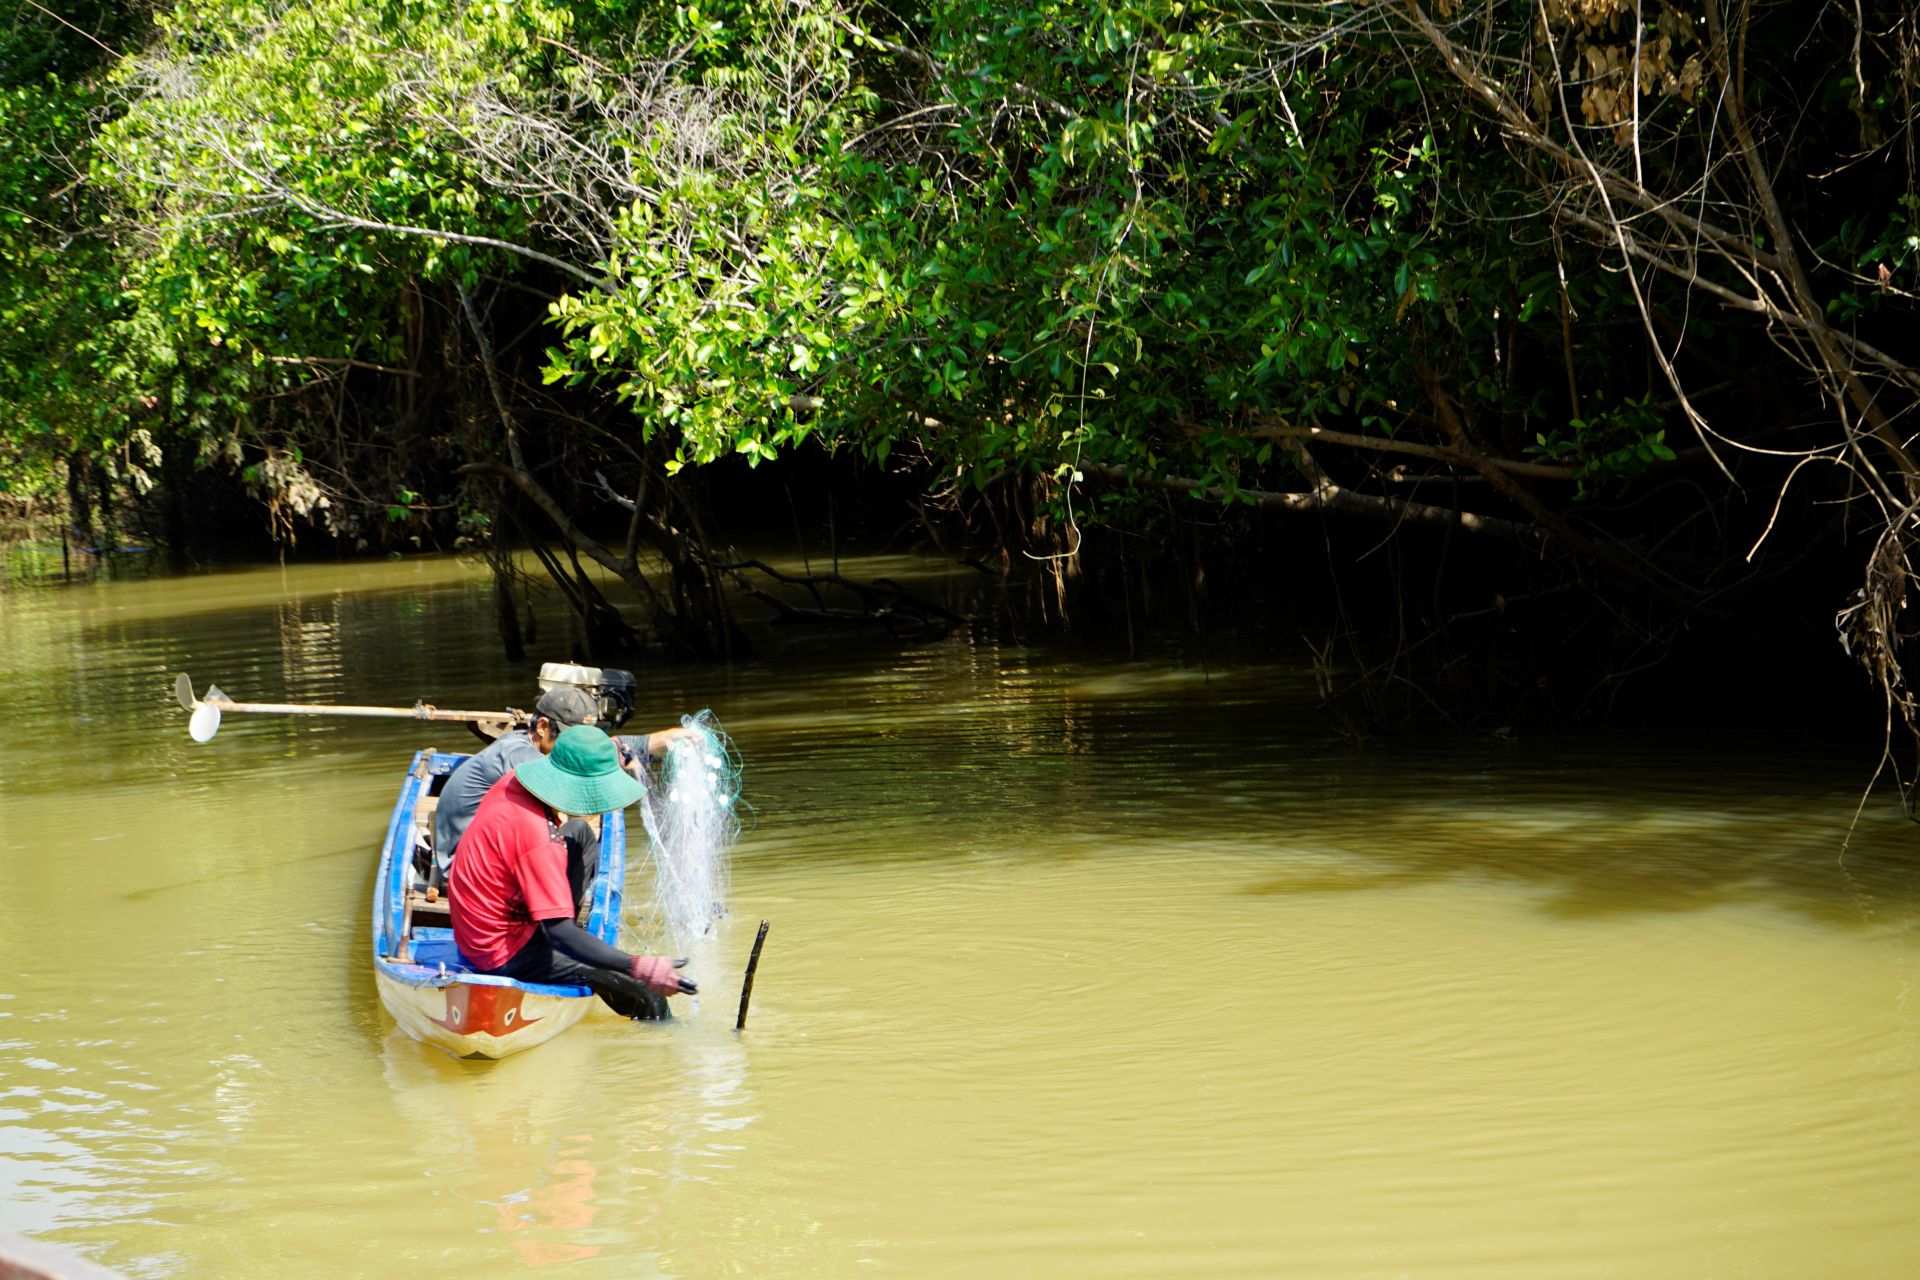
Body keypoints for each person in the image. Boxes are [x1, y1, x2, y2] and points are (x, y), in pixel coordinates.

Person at [448, 725, 697, 1019]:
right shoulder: (538, 840)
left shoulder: (514, 781)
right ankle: (665, 1043)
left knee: (580, 834)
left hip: (481, 922)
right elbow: (560, 934)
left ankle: (559, 919)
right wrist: (637, 966)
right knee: (647, 994)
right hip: (500, 951)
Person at [430, 684, 692, 889]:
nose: (579, 747)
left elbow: (607, 748)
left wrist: (672, 738)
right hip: (466, 871)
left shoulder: (539, 748)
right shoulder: (522, 758)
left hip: (481, 859)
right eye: (572, 739)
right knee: (580, 835)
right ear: (543, 727)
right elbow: (576, 792)